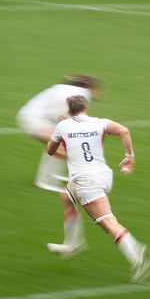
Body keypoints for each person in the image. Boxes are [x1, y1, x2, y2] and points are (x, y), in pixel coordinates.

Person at [46, 96, 150, 283]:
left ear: (69, 110)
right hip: (104, 176)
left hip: (87, 182)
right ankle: (72, 244)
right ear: (86, 108)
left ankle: (137, 255)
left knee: (108, 223)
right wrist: (130, 156)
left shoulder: (62, 126)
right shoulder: (100, 123)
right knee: (66, 196)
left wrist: (65, 136)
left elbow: (50, 151)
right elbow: (124, 131)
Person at [17, 75, 102, 257]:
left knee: (64, 144)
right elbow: (60, 112)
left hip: (30, 116)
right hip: (35, 120)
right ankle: (46, 180)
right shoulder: (80, 94)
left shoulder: (64, 88)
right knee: (64, 145)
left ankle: (50, 178)